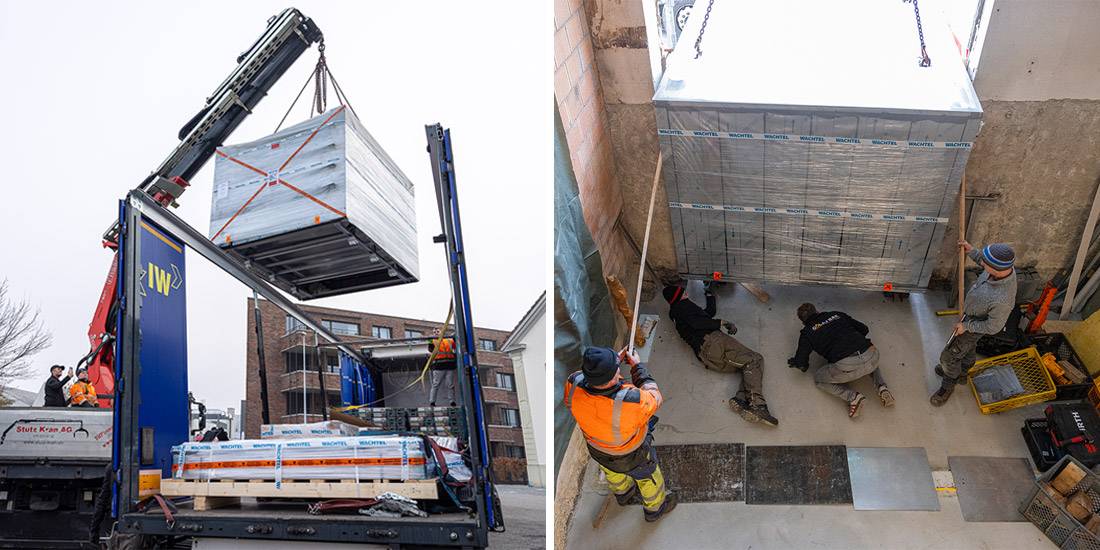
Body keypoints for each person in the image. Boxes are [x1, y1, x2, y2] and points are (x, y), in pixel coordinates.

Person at [564, 347, 677, 522]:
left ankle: (623, 494)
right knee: (647, 477)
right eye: (616, 369)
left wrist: (612, 360)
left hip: (598, 449)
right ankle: (655, 509)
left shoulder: (573, 384)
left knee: (613, 473)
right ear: (612, 377)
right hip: (631, 453)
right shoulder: (630, 401)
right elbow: (655, 397)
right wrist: (637, 367)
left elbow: (592, 380)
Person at [662, 283, 777, 426]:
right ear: (678, 297)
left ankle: (740, 400)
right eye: (683, 293)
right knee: (755, 359)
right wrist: (721, 322)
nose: (687, 294)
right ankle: (757, 406)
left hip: (706, 356)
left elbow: (706, 314)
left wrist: (710, 295)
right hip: (713, 342)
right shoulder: (681, 306)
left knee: (747, 368)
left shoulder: (679, 315)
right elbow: (698, 322)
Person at [930, 241, 1018, 406]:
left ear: (996, 269)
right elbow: (983, 260)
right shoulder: (1001, 270)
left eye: (985, 262)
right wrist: (971, 250)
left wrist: (967, 327)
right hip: (970, 316)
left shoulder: (1002, 299)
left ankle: (948, 386)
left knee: (948, 357)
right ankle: (962, 374)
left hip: (976, 325)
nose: (981, 263)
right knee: (968, 348)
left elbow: (994, 327)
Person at [788, 303, 894, 418]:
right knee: (866, 353)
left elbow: (801, 363)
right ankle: (882, 387)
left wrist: (797, 363)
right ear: (817, 311)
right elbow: (864, 329)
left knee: (819, 379)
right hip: (872, 355)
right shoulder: (836, 314)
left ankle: (853, 397)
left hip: (847, 365)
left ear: (803, 322)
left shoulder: (807, 332)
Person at [428, 331, 457, 407]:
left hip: (449, 365)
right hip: (439, 366)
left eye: (438, 331)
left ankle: (452, 401)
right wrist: (431, 338)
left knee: (450, 385)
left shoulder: (449, 340)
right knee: (436, 384)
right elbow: (430, 349)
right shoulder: (433, 340)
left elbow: (455, 347)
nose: (436, 333)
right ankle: (432, 402)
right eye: (435, 332)